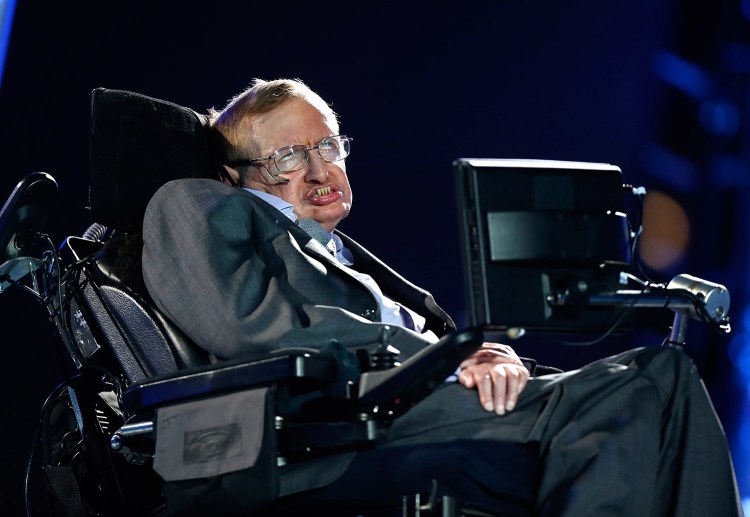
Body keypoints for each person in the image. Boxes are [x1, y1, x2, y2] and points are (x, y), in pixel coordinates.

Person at [140, 78, 743, 515]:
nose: (320, 170)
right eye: (288, 158)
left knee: (660, 378)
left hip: (415, 400)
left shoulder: (334, 254)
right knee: (641, 385)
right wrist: (447, 356)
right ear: (233, 174)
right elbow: (250, 327)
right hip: (328, 425)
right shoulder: (195, 203)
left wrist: (484, 356)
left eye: (328, 147)